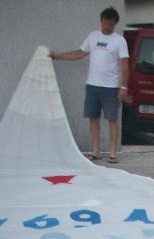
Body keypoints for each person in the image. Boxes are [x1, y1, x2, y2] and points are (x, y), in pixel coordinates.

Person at [50, 6, 129, 163]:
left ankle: (113, 152)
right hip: (92, 86)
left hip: (111, 87)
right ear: (101, 21)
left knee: (112, 119)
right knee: (93, 118)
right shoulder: (93, 36)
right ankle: (95, 151)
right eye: (105, 23)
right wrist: (57, 56)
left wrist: (124, 87)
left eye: (111, 24)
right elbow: (79, 53)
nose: (108, 26)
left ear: (115, 24)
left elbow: (124, 64)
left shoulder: (119, 41)